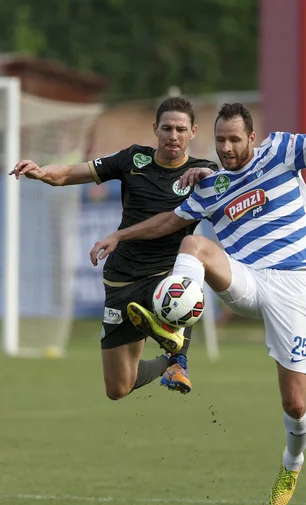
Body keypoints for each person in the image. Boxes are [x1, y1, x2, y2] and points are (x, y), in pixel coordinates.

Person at [90, 83, 306, 505]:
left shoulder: (281, 151)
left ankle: (292, 460)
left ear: (252, 137)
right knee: (193, 246)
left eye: (234, 139)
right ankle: (173, 332)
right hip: (246, 279)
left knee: (294, 400)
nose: (226, 148)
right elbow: (167, 222)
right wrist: (120, 234)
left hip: (292, 285)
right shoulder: (210, 187)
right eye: (220, 140)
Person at [9, 96, 218, 399]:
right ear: (155, 130)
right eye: (167, 128)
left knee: (185, 285)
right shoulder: (133, 159)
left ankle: (177, 360)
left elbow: (232, 184)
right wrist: (41, 172)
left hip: (164, 276)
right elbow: (70, 173)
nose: (174, 135)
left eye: (181, 129)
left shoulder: (203, 172)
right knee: (118, 388)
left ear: (193, 132)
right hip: (121, 280)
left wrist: (211, 177)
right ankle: (164, 360)